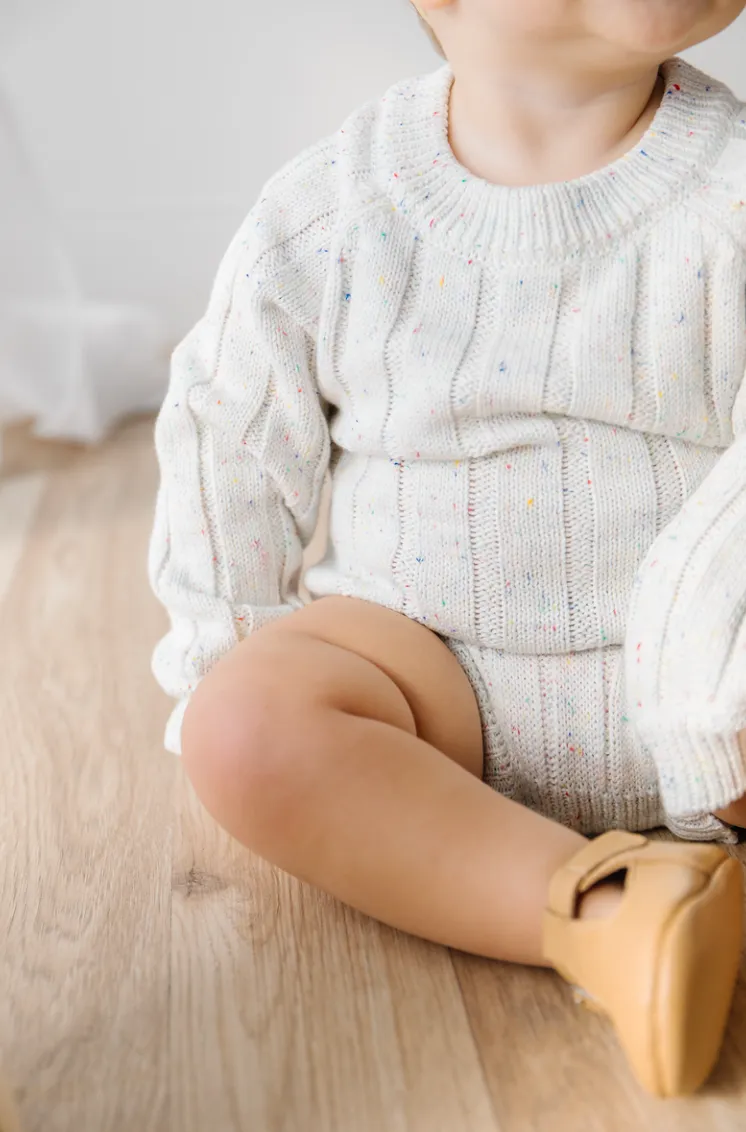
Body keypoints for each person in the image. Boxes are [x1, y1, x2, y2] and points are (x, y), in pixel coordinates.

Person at [148, 0, 746, 1097]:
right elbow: (225, 434)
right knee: (243, 726)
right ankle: (606, 915)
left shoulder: (730, 196)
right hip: (432, 680)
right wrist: (218, 650)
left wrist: (709, 704)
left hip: (712, 692)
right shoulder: (332, 211)